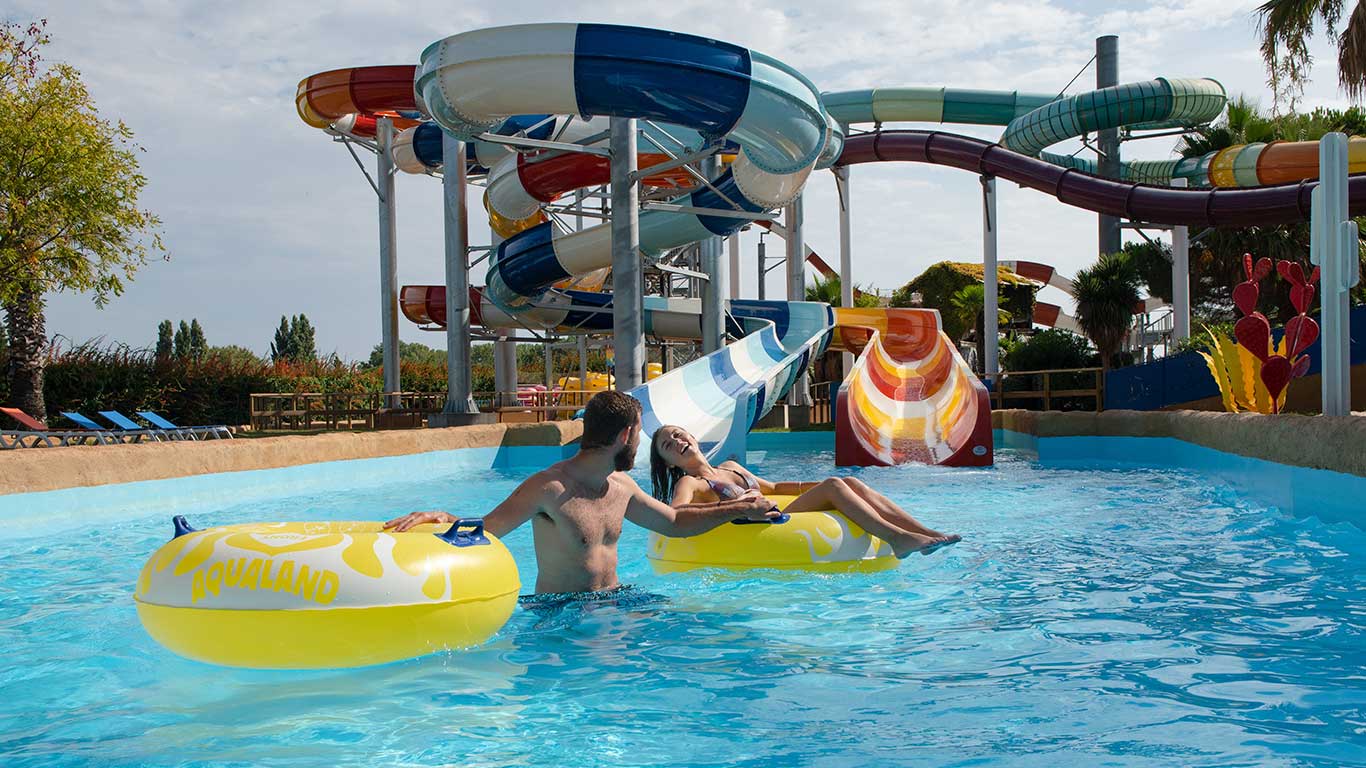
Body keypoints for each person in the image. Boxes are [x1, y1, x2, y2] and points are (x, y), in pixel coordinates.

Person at [384, 391, 779, 598]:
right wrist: (445, 518)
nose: (639, 444)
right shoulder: (549, 487)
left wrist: (739, 507)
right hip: (561, 612)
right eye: (639, 435)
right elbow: (489, 530)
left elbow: (674, 522)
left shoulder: (622, 487)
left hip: (617, 599)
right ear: (625, 435)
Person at [649, 424, 961, 558]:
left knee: (847, 483)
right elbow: (676, 513)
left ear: (692, 436)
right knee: (835, 487)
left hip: (776, 510)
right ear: (669, 462)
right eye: (667, 444)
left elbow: (774, 488)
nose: (677, 441)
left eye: (678, 434)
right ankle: (897, 538)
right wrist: (730, 507)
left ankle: (924, 532)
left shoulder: (731, 466)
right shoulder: (690, 483)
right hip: (760, 523)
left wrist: (815, 485)